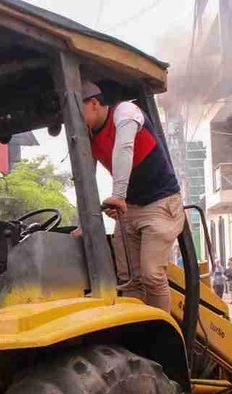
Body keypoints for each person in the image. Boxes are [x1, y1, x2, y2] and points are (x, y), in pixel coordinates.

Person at [80, 80, 185, 312]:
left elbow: (124, 149)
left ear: (94, 103)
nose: (75, 120)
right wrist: (85, 221)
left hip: (161, 203)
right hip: (129, 207)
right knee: (128, 279)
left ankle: (160, 341)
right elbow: (85, 175)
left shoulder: (125, 112)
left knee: (151, 275)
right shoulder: (88, 134)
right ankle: (136, 338)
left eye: (78, 109)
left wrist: (117, 195)